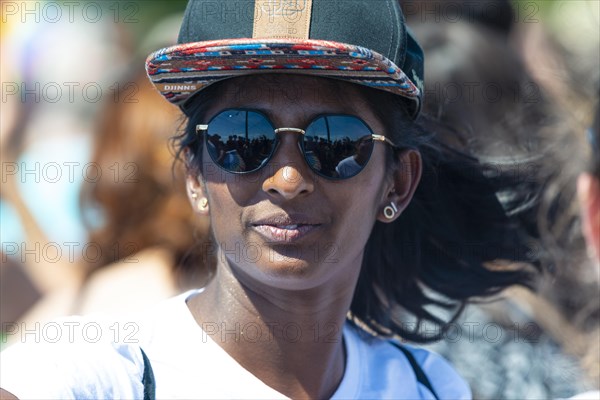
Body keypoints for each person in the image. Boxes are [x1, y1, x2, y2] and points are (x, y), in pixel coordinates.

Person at [0, 0, 541, 398]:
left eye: (334, 142)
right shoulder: (101, 381)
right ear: (193, 174)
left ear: (397, 182)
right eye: (241, 139)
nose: (286, 178)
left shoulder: (430, 388)